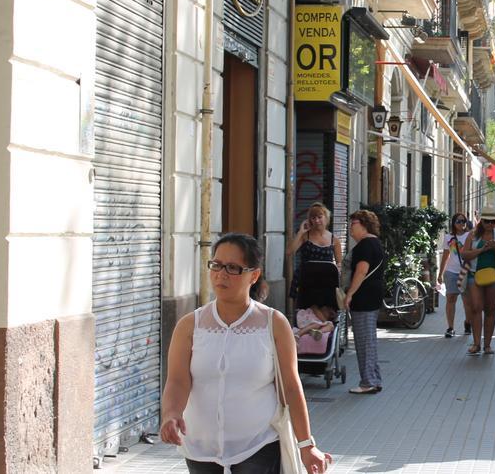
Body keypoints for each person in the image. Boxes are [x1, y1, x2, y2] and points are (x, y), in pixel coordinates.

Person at [160, 233, 330, 474]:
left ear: (254, 275)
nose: (221, 274)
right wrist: (171, 414)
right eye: (216, 265)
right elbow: (177, 380)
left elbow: (291, 387)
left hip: (258, 445)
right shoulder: (190, 325)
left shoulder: (273, 323)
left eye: (232, 268)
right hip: (200, 448)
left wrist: (306, 445)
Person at [344, 209, 387, 394]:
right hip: (374, 294)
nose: (350, 229)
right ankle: (374, 378)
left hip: (364, 295)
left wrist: (350, 293)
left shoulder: (364, 246)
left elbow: (361, 271)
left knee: (364, 340)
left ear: (363, 224)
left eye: (353, 224)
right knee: (369, 338)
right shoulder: (376, 243)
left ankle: (367, 382)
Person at [460, 205, 495, 355]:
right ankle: (476, 344)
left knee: (490, 310)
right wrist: (482, 250)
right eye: (487, 221)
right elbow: (464, 255)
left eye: (492, 221)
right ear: (481, 221)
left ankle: (487, 345)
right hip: (474, 275)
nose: (489, 224)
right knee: (476, 308)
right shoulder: (472, 235)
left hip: (494, 276)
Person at [288, 203, 342, 327]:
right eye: (313, 218)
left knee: (325, 312)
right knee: (305, 310)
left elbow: (339, 263)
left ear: (326, 217)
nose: (316, 220)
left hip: (326, 283)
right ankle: (306, 332)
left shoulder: (334, 240)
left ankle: (323, 329)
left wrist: (338, 271)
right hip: (306, 281)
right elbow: (289, 252)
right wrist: (301, 231)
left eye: (319, 217)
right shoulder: (305, 236)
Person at [436, 212, 473, 337]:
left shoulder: (470, 236)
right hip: (451, 272)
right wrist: (440, 274)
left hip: (466, 271)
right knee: (451, 299)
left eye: (463, 221)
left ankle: (468, 323)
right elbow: (445, 256)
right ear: (453, 223)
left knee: (467, 301)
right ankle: (450, 327)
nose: (461, 223)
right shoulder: (448, 237)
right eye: (458, 221)